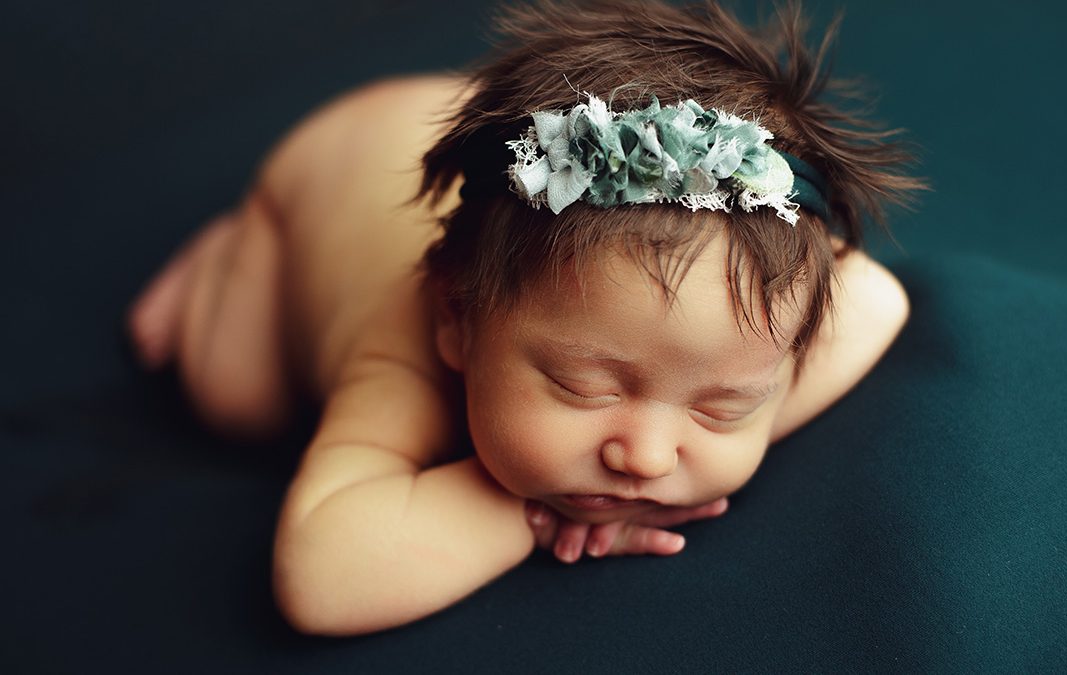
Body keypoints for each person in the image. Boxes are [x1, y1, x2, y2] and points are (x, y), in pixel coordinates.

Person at [126, 0, 924, 636]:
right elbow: (321, 580)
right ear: (457, 315)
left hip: (467, 132)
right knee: (234, 397)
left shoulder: (758, 309)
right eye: (583, 386)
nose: (645, 457)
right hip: (328, 170)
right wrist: (535, 515)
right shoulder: (403, 360)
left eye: (724, 402)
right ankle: (229, 248)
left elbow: (878, 301)